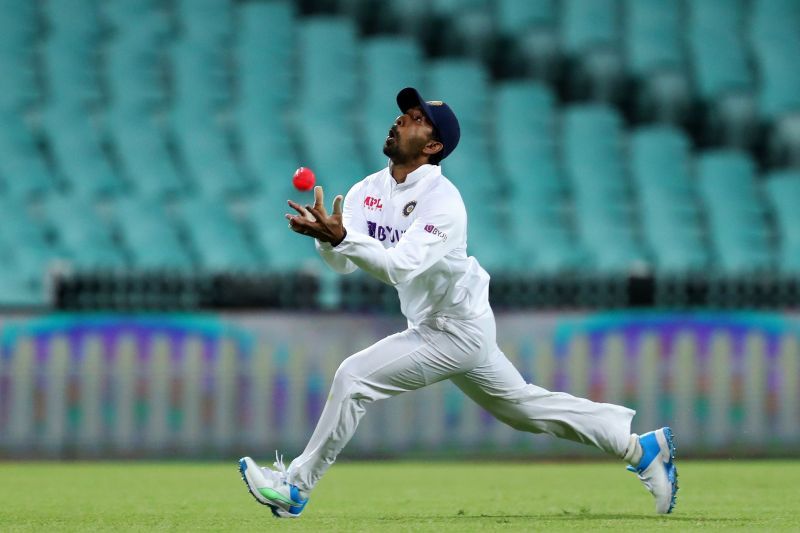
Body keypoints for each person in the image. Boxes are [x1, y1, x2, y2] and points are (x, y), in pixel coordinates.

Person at [238, 87, 678, 518]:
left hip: (454, 327)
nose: (400, 120)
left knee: (353, 377)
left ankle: (296, 485)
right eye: (403, 114)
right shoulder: (366, 190)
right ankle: (641, 448)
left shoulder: (443, 202)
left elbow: (399, 267)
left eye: (415, 118)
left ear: (432, 145)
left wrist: (344, 239)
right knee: (524, 409)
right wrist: (328, 243)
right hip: (449, 325)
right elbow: (344, 266)